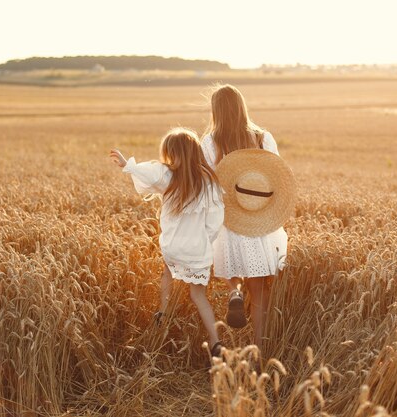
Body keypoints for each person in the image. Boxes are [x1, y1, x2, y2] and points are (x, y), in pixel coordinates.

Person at [109, 127, 225, 357]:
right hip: (198, 248)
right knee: (198, 295)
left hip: (173, 246)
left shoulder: (167, 175)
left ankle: (163, 313)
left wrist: (127, 165)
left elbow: (149, 172)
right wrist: (204, 241)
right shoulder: (209, 183)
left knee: (167, 274)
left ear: (173, 154)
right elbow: (215, 221)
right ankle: (215, 342)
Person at [201, 84, 288, 349]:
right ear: (242, 106)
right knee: (260, 292)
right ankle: (259, 353)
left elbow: (207, 183)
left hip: (228, 219)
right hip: (258, 218)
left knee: (232, 268)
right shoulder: (263, 138)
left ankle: (234, 292)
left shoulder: (210, 142)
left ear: (216, 110)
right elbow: (275, 174)